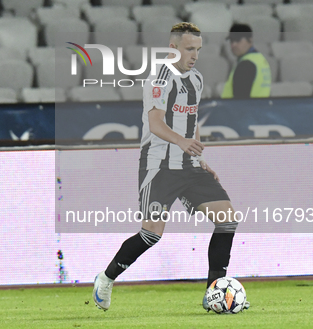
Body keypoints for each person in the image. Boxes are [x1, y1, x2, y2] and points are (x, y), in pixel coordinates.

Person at [92, 22, 248, 312]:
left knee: (227, 219)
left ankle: (213, 293)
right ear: (173, 47)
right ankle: (106, 277)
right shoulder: (160, 78)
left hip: (189, 165)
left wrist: (199, 157)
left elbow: (192, 122)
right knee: (152, 234)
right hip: (159, 166)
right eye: (190, 49)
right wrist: (181, 142)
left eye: (198, 50)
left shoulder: (197, 79)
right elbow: (155, 123)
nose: (195, 55)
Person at [221, 24, 272, 99]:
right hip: (259, 108)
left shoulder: (246, 65)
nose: (233, 44)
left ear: (250, 40)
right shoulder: (261, 60)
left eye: (238, 40)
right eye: (231, 41)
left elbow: (240, 101)